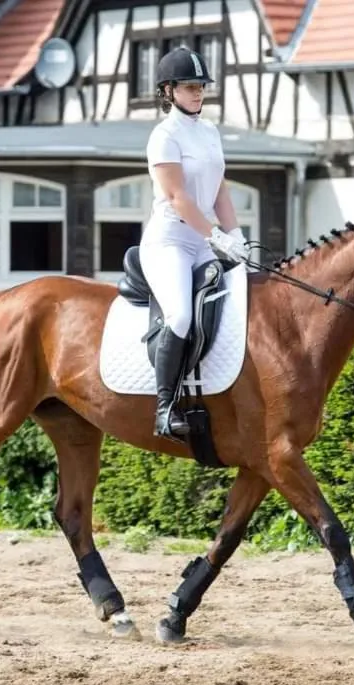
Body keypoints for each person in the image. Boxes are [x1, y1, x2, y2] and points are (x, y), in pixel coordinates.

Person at [140, 45, 250, 441]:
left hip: (205, 240)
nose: (198, 93)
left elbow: (219, 189)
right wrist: (216, 236)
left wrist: (236, 237)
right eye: (189, 87)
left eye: (201, 86)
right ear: (168, 91)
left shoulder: (209, 131)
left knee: (246, 296)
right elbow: (178, 197)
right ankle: (165, 409)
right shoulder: (164, 135)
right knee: (182, 317)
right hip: (170, 241)